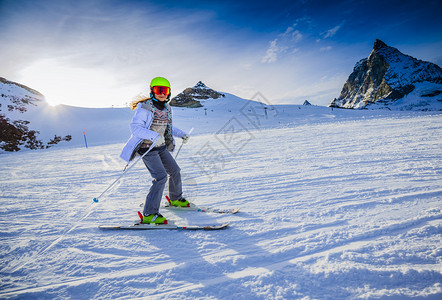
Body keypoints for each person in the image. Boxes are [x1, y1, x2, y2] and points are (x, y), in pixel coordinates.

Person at [120, 77, 190, 224]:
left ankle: (175, 199)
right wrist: (153, 136)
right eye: (159, 90)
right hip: (147, 148)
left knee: (175, 171)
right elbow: (135, 128)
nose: (162, 94)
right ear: (152, 91)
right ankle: (149, 214)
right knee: (161, 177)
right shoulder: (146, 108)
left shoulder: (166, 108)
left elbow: (167, 128)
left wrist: (181, 134)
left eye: (165, 91)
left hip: (161, 146)